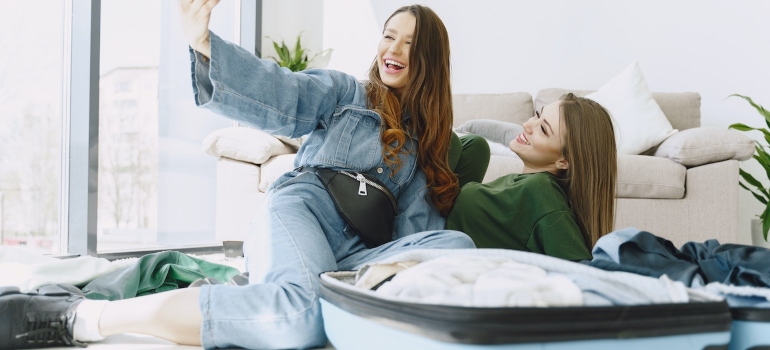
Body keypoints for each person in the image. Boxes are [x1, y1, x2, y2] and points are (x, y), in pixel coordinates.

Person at [0, 2, 479, 349]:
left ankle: (282, 295)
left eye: (410, 43)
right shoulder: (346, 94)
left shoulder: (425, 151)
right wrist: (204, 43)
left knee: (457, 249)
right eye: (389, 34)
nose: (393, 49)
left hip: (359, 254)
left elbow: (418, 241)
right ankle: (81, 316)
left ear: (429, 61)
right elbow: (283, 92)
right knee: (300, 318)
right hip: (306, 210)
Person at [446, 93, 618, 261]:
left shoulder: (541, 191)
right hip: (436, 227)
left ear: (564, 161)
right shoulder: (524, 184)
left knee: (454, 142)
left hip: (432, 240)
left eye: (543, 129)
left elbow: (581, 267)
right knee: (476, 146)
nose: (527, 125)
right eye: (537, 116)